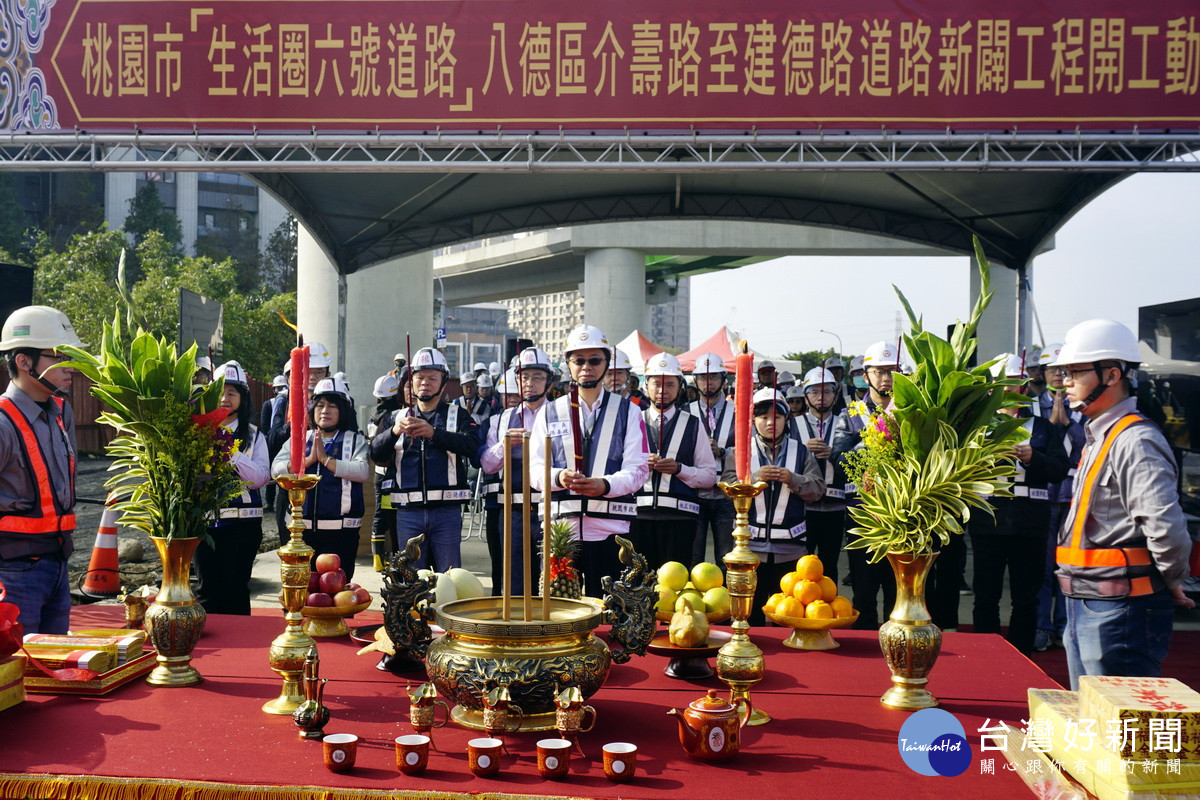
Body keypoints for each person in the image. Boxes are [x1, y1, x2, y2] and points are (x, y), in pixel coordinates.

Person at [1049, 319, 1195, 690]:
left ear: (1112, 374)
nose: (1064, 380)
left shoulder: (1136, 440)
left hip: (1121, 609)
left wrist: (1171, 579)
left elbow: (1165, 527)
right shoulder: (1101, 436)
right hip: (1085, 600)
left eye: (1074, 372)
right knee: (1093, 724)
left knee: (1122, 732)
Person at [529, 325, 649, 598]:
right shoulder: (549, 412)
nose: (586, 367)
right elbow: (533, 470)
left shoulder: (629, 411)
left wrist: (604, 485)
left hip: (612, 530)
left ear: (607, 364)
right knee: (558, 613)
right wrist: (558, 477)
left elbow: (639, 469)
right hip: (562, 530)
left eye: (594, 360)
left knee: (612, 611)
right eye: (579, 360)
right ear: (569, 365)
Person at [968, 353, 1070, 654]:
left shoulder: (1041, 427)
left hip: (1030, 522)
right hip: (989, 521)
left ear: (1025, 386)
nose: (1010, 389)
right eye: (1003, 383)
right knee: (985, 595)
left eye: (1016, 382)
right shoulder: (978, 426)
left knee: (1027, 597)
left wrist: (1033, 457)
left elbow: (1059, 469)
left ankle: (1021, 654)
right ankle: (984, 653)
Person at [0, 306, 82, 634]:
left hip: (59, 567)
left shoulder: (62, 413)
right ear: (24, 361)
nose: (70, 365)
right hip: (14, 575)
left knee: (54, 668)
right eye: (59, 355)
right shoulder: (3, 423)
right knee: (17, 674)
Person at [369, 347, 479, 571]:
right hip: (408, 513)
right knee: (411, 578)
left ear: (443, 381)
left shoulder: (457, 415)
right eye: (419, 377)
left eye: (432, 378)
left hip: (446, 512)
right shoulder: (395, 417)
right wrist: (393, 432)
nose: (425, 383)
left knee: (449, 575)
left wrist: (434, 433)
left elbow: (472, 446)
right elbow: (376, 454)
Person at [722, 388, 824, 625]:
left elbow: (817, 490)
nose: (770, 423)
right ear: (753, 420)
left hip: (791, 551)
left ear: (785, 420)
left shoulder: (801, 451)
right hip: (750, 550)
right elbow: (727, 489)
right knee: (749, 615)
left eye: (776, 417)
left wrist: (793, 479)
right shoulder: (739, 452)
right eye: (763, 417)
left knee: (788, 616)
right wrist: (753, 478)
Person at [272, 376, 370, 579]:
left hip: (341, 533)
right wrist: (307, 461)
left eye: (332, 406)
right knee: (303, 592)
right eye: (320, 405)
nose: (325, 411)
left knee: (337, 595)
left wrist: (325, 460)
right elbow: (276, 470)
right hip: (301, 532)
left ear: (343, 411)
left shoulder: (355, 440)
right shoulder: (299, 439)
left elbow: (362, 471)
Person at [832, 340, 900, 629]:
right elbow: (838, 459)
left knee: (899, 596)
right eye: (878, 371)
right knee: (864, 594)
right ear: (866, 374)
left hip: (902, 516)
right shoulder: (851, 414)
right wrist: (877, 435)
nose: (885, 378)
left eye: (891, 371)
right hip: (863, 517)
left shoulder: (913, 411)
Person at [195, 361, 270, 615]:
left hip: (242, 527)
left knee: (236, 590)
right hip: (204, 528)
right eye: (220, 393)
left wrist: (230, 453)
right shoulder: (197, 431)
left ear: (242, 398)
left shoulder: (255, 436)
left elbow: (261, 478)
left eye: (232, 393)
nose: (225, 399)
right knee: (207, 593)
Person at [633, 353, 719, 570]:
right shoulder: (632, 420)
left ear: (680, 386)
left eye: (670, 384)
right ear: (646, 386)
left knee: (673, 587)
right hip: (637, 517)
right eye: (657, 384)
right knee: (635, 586)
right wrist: (642, 464)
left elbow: (709, 475)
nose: (663, 390)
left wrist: (679, 469)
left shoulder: (693, 424)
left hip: (680, 519)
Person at [479, 351, 553, 595]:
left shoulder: (561, 414)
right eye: (524, 377)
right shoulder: (501, 419)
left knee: (552, 581)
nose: (530, 383)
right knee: (514, 581)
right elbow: (488, 464)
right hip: (512, 511)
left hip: (550, 509)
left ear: (549, 381)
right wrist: (505, 445)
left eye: (537, 377)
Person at [1033, 343, 1085, 651]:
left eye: (1062, 370)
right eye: (1051, 370)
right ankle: (1043, 625)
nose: (1056, 375)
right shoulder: (1031, 406)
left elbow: (1087, 447)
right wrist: (1050, 429)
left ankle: (1067, 627)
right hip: (1043, 494)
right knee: (1043, 566)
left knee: (1069, 565)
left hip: (1074, 494)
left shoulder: (1083, 403)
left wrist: (1067, 425)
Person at [267, 341, 333, 545]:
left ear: (327, 373)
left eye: (319, 372)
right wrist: (296, 420)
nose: (313, 377)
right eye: (308, 371)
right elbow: (273, 439)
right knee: (290, 545)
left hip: (324, 482)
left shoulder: (335, 399)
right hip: (290, 481)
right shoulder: (283, 402)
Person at [796, 368, 850, 586]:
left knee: (829, 566)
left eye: (827, 391)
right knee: (801, 567)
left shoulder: (845, 422)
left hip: (835, 506)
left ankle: (827, 611)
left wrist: (836, 455)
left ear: (835, 395)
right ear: (805, 396)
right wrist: (801, 448)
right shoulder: (793, 424)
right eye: (815, 392)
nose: (821, 397)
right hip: (802, 508)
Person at [687, 353, 737, 568]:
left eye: (714, 377)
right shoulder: (685, 412)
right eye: (703, 378)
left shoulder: (737, 412)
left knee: (726, 557)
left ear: (724, 380)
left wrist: (723, 452)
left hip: (725, 494)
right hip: (695, 493)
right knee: (693, 555)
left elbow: (748, 448)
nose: (709, 383)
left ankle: (726, 600)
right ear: (695, 381)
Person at [367, 373, 404, 568]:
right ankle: (397, 559)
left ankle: (378, 560)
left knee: (380, 514)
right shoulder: (397, 414)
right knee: (393, 517)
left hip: (379, 474)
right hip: (392, 473)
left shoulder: (374, 415)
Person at [259, 374, 288, 509]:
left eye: (283, 387)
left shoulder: (288, 401)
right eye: (278, 388)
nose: (280, 390)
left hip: (286, 441)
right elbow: (265, 424)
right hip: (272, 442)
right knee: (271, 472)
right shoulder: (269, 404)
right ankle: (269, 502)